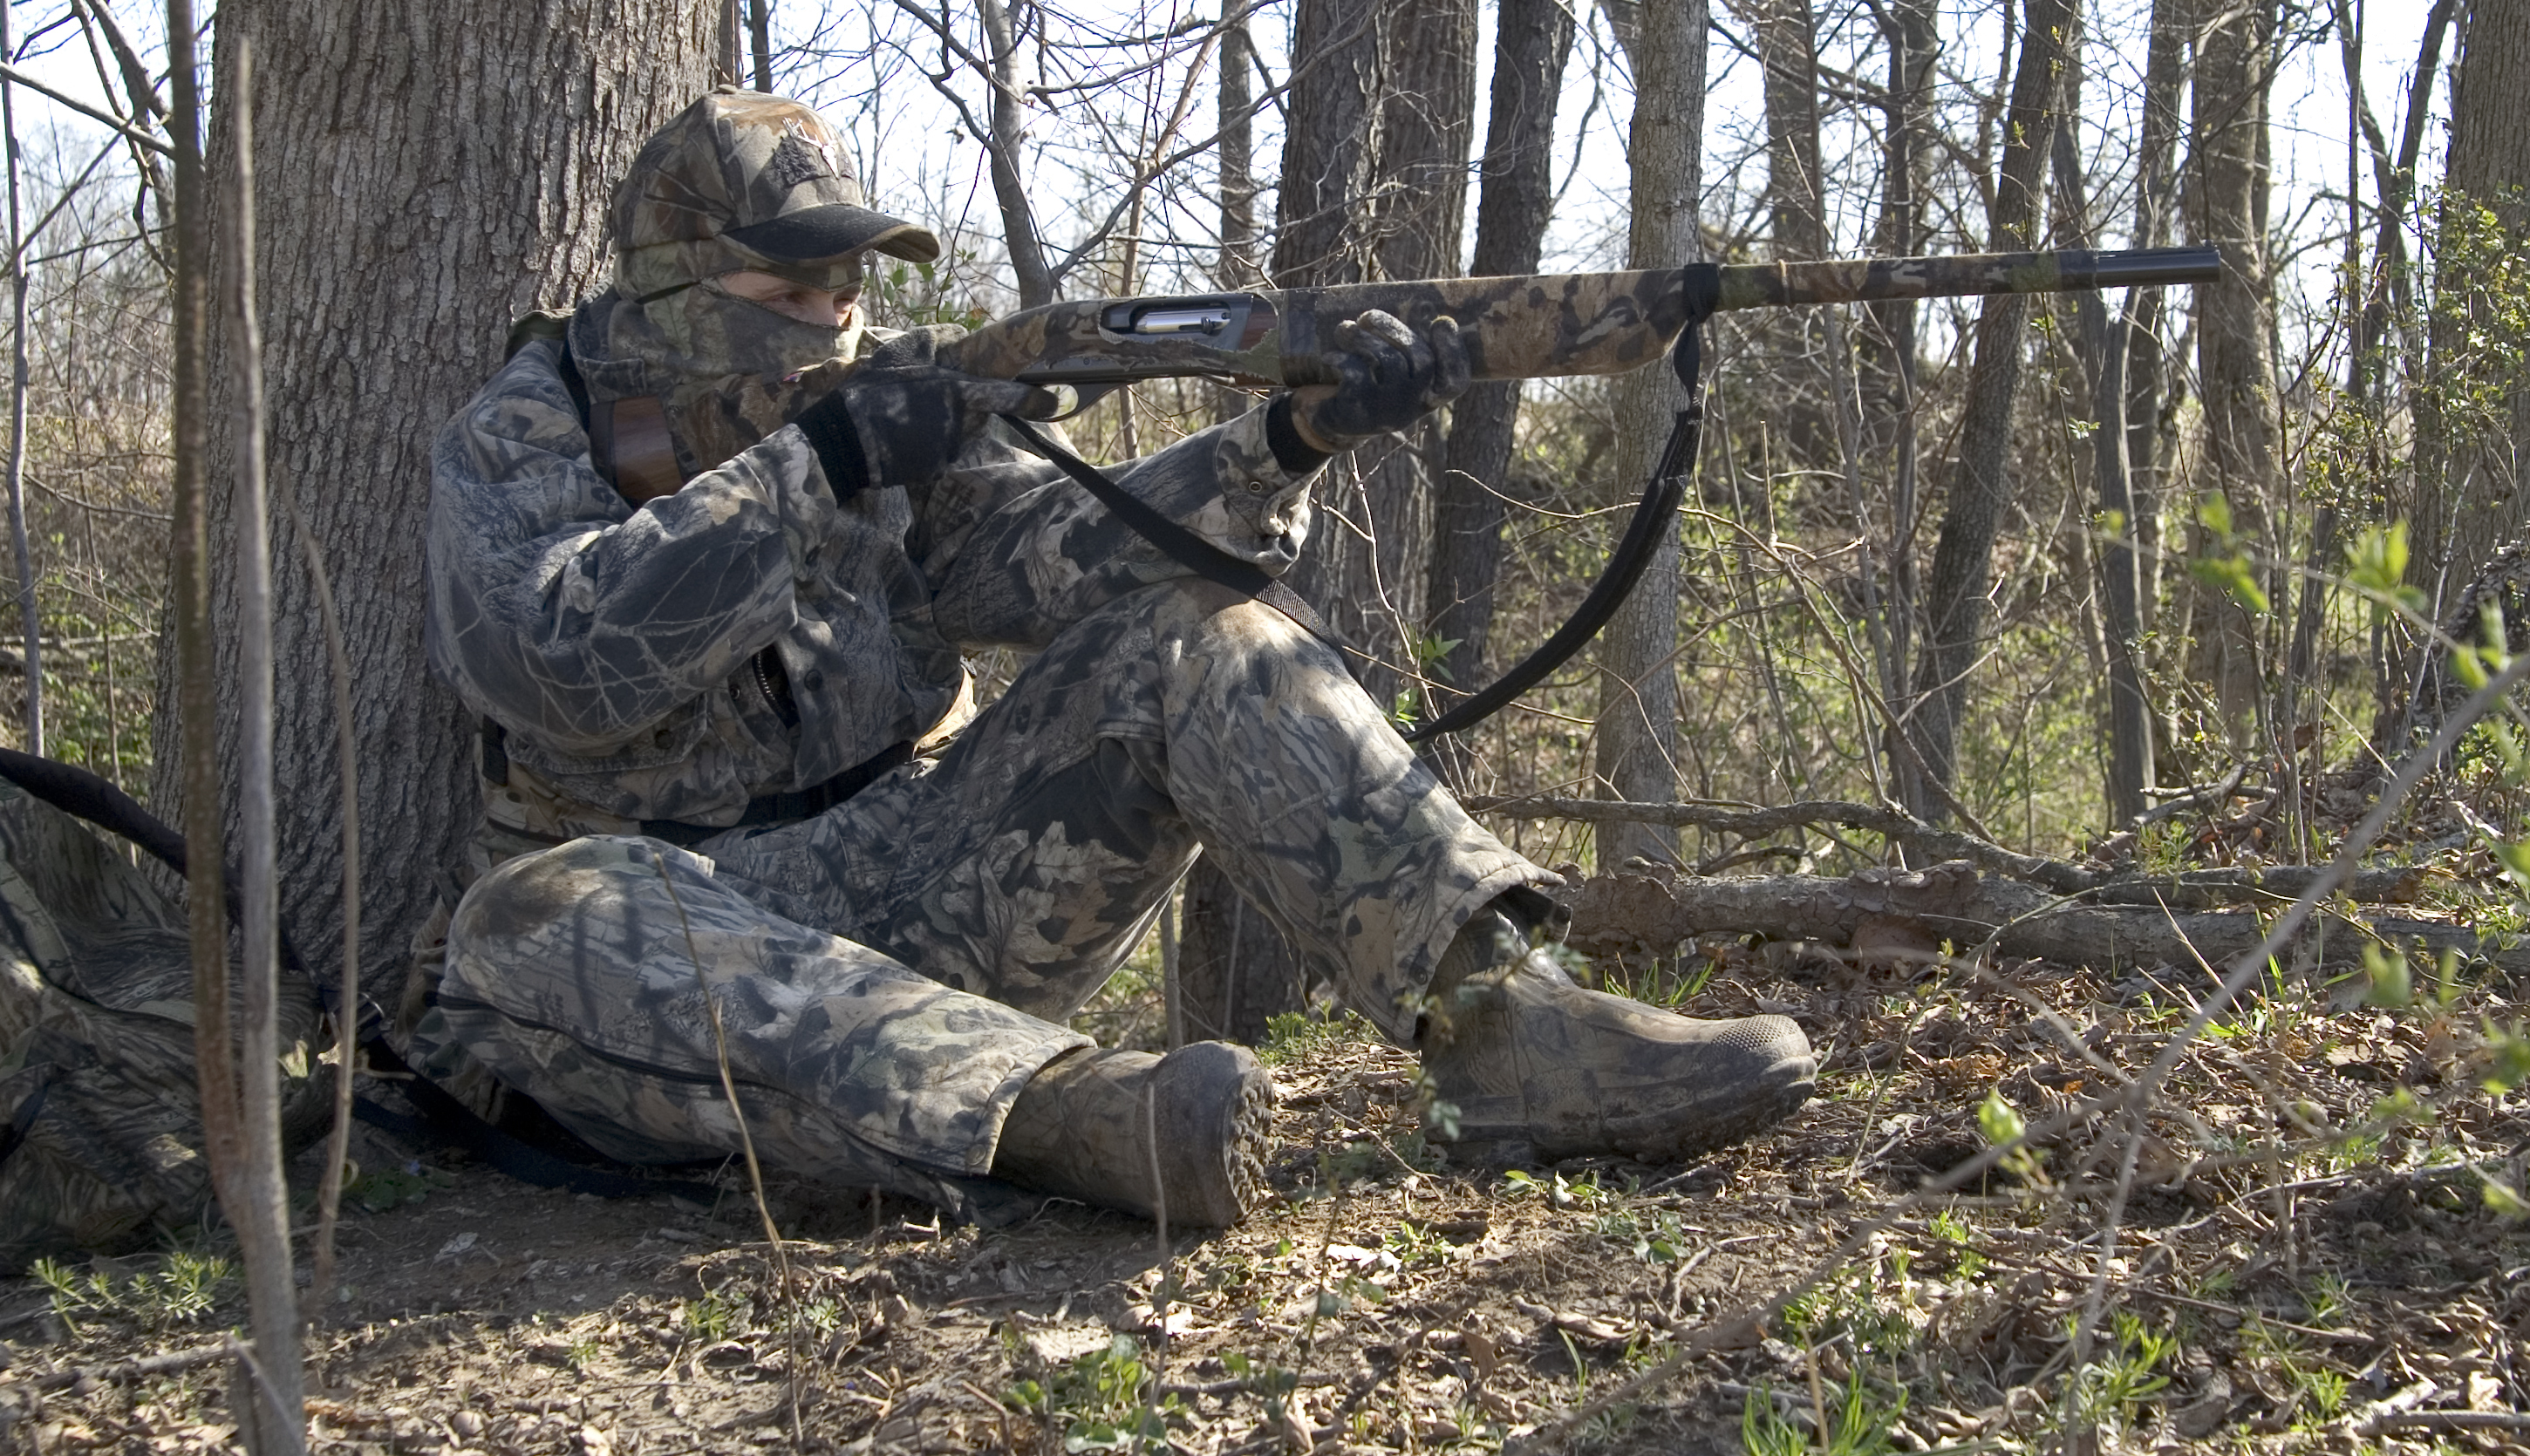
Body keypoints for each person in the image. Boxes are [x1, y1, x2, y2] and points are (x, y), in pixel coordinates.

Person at [406, 87, 1815, 1228]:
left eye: (849, 280)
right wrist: (808, 468)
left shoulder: (878, 393)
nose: (838, 310)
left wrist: (1286, 444)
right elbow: (551, 668)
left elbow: (1053, 560)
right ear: (674, 285)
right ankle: (1072, 1122)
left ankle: (1506, 1029)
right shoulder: (527, 433)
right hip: (678, 948)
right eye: (797, 280)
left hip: (920, 883)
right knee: (530, 917)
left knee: (1200, 636)